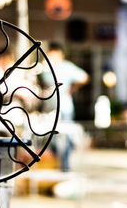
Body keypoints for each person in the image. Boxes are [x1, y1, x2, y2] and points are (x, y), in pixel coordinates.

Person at [40, 42, 89, 172]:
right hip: (50, 109)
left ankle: (65, 168)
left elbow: (84, 77)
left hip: (64, 109)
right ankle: (56, 168)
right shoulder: (46, 68)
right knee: (52, 141)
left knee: (66, 139)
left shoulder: (66, 67)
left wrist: (72, 88)